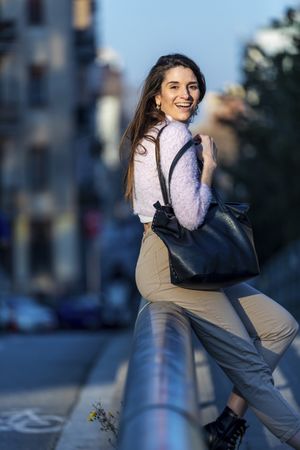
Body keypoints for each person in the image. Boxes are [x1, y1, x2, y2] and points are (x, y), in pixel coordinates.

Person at [119, 53, 300, 450]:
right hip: (173, 263)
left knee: (279, 325)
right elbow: (190, 214)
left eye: (192, 85)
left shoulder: (150, 135)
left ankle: (226, 425)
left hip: (180, 261)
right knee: (250, 367)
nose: (186, 94)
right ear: (157, 97)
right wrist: (209, 168)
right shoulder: (175, 136)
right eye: (174, 87)